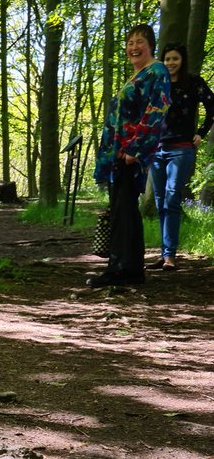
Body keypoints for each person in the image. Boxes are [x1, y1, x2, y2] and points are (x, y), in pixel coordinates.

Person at [89, 24, 170, 289]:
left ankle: (120, 269)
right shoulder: (137, 76)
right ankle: (130, 269)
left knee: (123, 210)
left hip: (129, 154)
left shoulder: (157, 71)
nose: (133, 47)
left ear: (151, 45)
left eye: (139, 42)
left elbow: (157, 110)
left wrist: (137, 148)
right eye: (130, 42)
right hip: (119, 153)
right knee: (124, 210)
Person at [149, 43, 214, 270]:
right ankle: (163, 253)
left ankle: (170, 256)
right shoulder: (158, 83)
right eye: (167, 59)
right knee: (160, 202)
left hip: (181, 149)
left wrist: (201, 133)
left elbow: (211, 105)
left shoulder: (194, 83)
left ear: (182, 60)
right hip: (156, 150)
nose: (170, 63)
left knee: (171, 198)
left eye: (175, 59)